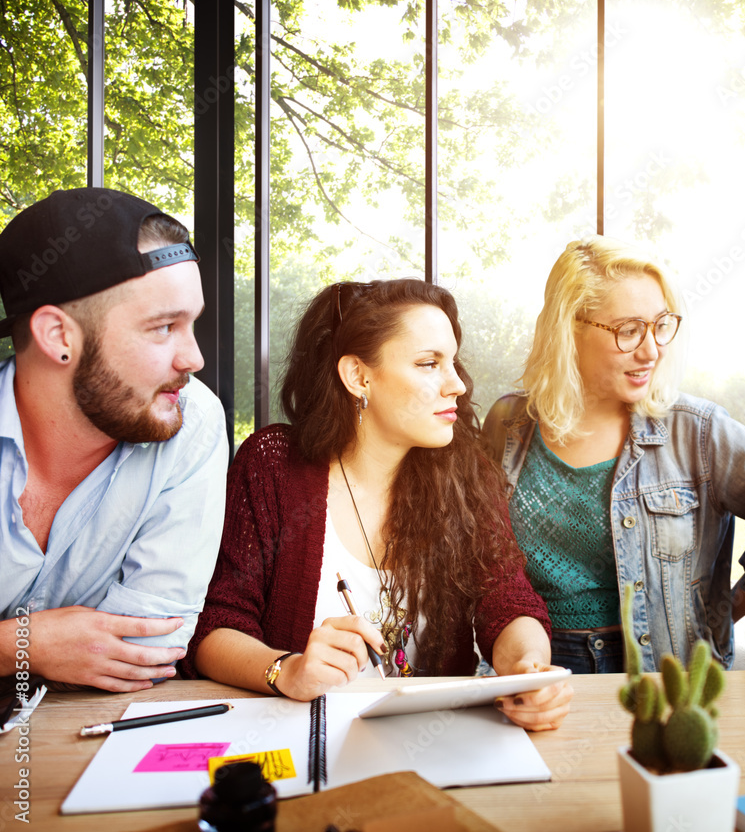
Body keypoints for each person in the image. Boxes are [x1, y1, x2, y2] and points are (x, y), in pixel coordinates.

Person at [185, 279, 572, 731]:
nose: (457, 385)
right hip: (301, 737)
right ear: (358, 376)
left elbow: (506, 600)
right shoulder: (272, 466)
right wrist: (285, 669)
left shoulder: (466, 473)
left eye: (453, 362)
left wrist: (527, 669)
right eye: (430, 364)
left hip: (434, 741)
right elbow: (215, 625)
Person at [482, 237, 745, 674]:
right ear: (569, 329)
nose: (651, 350)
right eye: (629, 330)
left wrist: (733, 604)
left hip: (661, 677)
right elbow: (483, 554)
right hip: (532, 665)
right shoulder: (508, 423)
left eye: (660, 325)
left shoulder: (699, 431)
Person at [0, 187, 227, 692]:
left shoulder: (193, 421)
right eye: (164, 327)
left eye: (192, 324)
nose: (194, 360)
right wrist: (24, 645)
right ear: (58, 336)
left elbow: (146, 651)